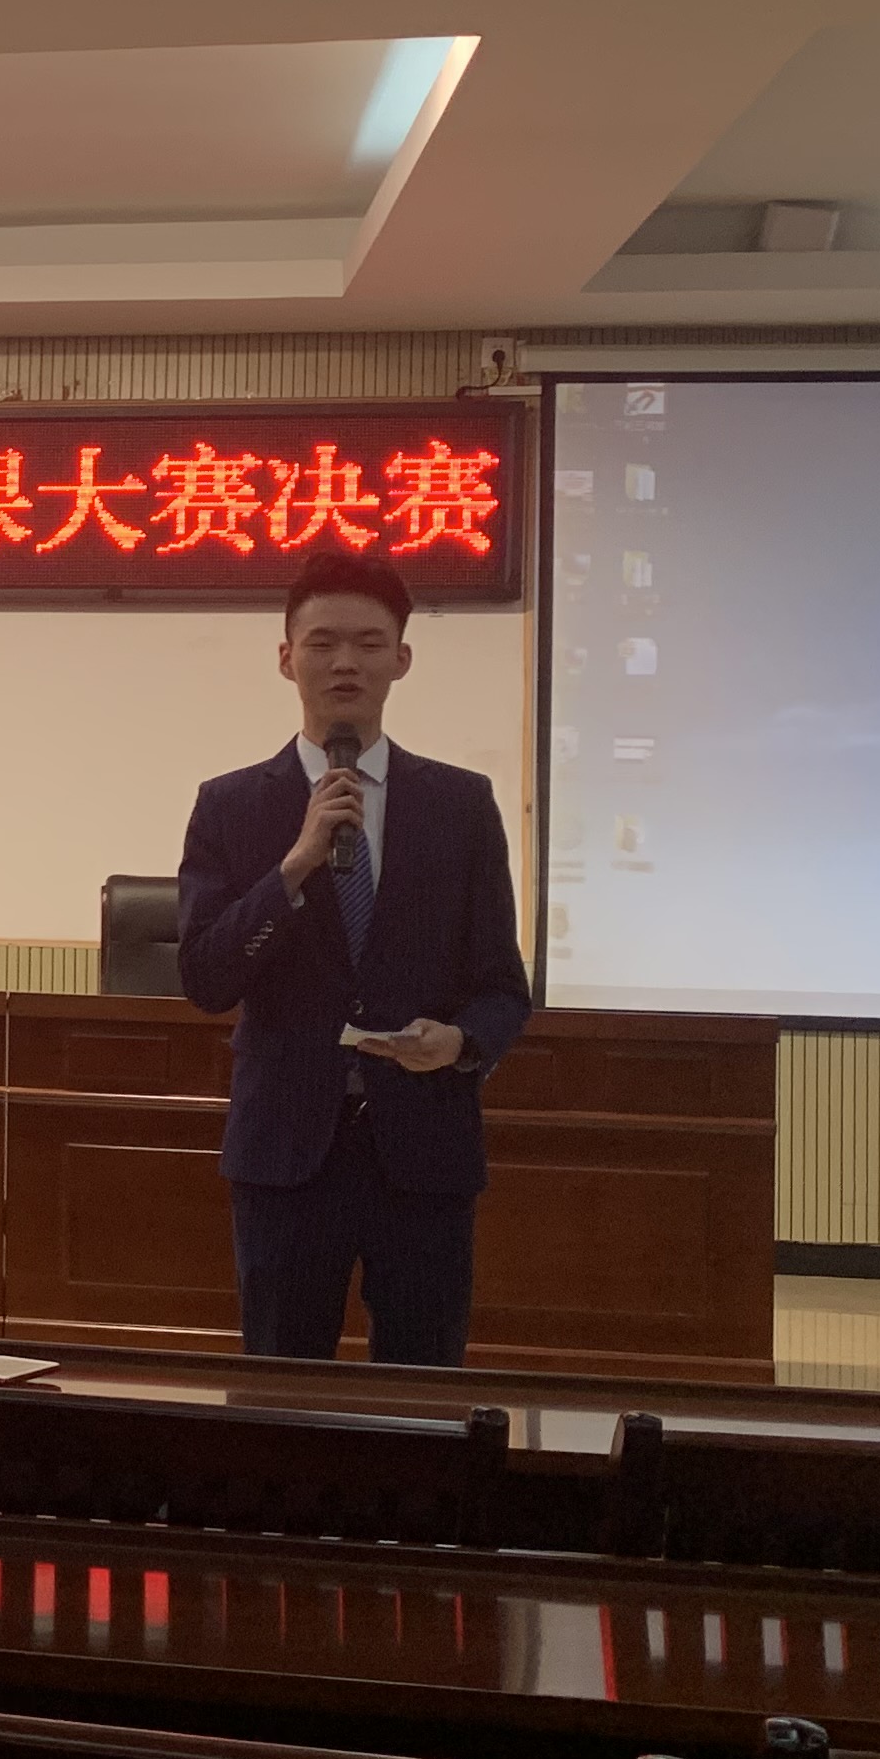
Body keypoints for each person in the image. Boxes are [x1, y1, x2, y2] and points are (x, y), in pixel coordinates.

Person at [176, 546, 533, 1365]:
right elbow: (205, 977)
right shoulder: (230, 806)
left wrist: (461, 1042)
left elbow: (501, 986)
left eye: (370, 643)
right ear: (286, 658)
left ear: (401, 659)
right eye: (323, 642)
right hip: (286, 1152)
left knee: (423, 1386)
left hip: (424, 1148)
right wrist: (293, 868)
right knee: (283, 1383)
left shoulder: (461, 805)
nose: (346, 662)